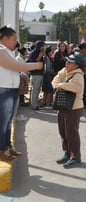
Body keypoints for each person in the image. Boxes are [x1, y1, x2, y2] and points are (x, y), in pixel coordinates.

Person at [0, 25, 43, 161]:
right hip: (4, 89)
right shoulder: (1, 51)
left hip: (11, 89)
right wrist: (35, 65)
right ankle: (2, 149)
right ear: (5, 38)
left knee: (8, 122)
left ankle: (7, 147)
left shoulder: (8, 51)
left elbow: (13, 68)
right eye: (13, 39)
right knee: (3, 122)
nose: (15, 42)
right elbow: (15, 66)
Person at [52, 53, 86, 169]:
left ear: (76, 65)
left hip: (74, 108)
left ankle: (75, 157)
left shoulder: (78, 75)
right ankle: (67, 153)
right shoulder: (64, 71)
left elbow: (77, 88)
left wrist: (62, 85)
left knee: (71, 133)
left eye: (70, 62)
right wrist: (62, 85)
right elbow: (54, 81)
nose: (66, 63)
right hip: (62, 106)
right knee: (63, 132)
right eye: (67, 61)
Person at [27, 40, 46, 110]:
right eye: (42, 46)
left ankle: (36, 104)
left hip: (40, 73)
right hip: (36, 74)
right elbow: (33, 63)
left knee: (37, 90)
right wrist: (40, 56)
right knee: (35, 90)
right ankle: (34, 106)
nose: (43, 47)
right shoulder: (34, 53)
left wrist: (43, 54)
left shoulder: (40, 52)